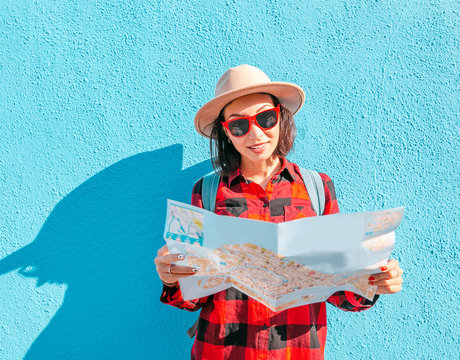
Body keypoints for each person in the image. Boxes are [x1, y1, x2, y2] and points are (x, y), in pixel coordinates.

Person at [154, 64, 404, 359]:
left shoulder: (317, 188)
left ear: (280, 117)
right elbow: (196, 295)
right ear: (227, 132)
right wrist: (173, 278)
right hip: (222, 352)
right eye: (239, 125)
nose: (255, 133)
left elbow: (340, 290)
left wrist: (374, 281)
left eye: (265, 118)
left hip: (296, 351)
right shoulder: (206, 192)